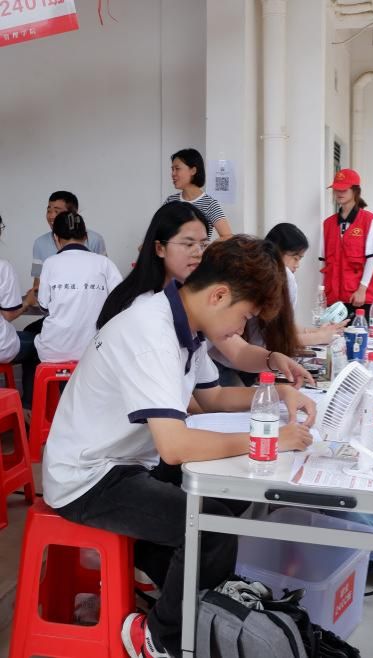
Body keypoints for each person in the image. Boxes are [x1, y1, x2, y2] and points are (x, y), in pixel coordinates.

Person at [42, 237, 315, 658]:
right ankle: (160, 638)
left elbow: (213, 398)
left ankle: (196, 604)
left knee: (229, 495)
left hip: (129, 461)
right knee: (211, 526)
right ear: (218, 295)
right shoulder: (151, 331)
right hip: (87, 477)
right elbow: (174, 446)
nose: (241, 330)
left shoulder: (184, 326)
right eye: (244, 317)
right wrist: (271, 440)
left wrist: (278, 392)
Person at [97, 202, 313, 392]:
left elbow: (238, 351)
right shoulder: (144, 309)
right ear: (160, 248)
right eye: (188, 243)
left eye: (203, 244)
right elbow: (187, 401)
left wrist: (273, 359)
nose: (198, 252)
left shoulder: (191, 301)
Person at [35, 212, 122, 364]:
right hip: (95, 350)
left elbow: (44, 306)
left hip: (53, 350)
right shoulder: (104, 263)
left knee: (36, 338)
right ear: (86, 236)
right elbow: (120, 302)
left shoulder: (50, 263)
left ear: (56, 238)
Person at [28, 191, 107, 331]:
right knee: (30, 331)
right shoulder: (39, 243)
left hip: (89, 317)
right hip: (56, 315)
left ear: (73, 214)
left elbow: (104, 280)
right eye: (49, 210)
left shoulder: (95, 240)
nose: (51, 216)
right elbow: (37, 282)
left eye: (57, 211)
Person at [265, 222, 348, 346]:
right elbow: (277, 338)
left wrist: (317, 332)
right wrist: (320, 337)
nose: (297, 265)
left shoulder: (266, 271)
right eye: (295, 258)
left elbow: (284, 325)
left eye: (300, 259)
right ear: (278, 251)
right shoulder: (284, 275)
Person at [320, 168, 373, 319]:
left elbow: (372, 259)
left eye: (344, 189)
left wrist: (362, 290)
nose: (339, 193)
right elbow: (324, 263)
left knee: (357, 333)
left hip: (357, 297)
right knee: (332, 334)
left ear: (355, 191)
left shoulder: (368, 221)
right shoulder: (328, 224)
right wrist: (322, 294)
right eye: (336, 189)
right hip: (333, 297)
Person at [0, 214, 38, 410]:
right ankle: (28, 408)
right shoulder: (2, 267)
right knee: (39, 344)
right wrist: (28, 302)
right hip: (1, 347)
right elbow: (9, 314)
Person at [164, 148, 232, 240]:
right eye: (172, 169)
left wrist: (206, 246)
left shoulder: (210, 204)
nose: (173, 173)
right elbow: (160, 230)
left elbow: (228, 237)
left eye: (177, 169)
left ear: (193, 171)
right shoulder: (170, 201)